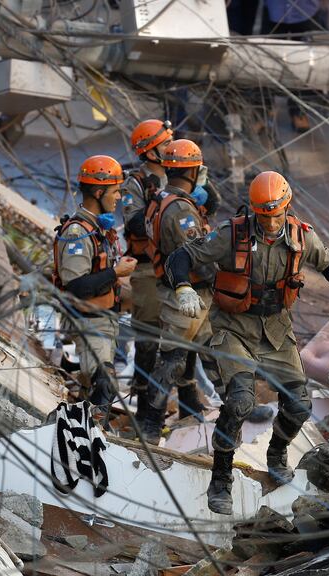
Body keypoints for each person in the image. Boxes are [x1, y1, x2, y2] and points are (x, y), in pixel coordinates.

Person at [165, 171, 329, 515]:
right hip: (234, 328)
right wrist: (183, 287)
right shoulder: (232, 234)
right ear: (255, 211)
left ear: (287, 208)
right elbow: (182, 257)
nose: (271, 222)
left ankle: (276, 454)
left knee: (299, 403)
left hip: (276, 331)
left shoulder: (300, 237)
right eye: (264, 215)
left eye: (276, 214)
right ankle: (221, 477)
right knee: (240, 402)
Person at [138, 139, 219, 443]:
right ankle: (149, 423)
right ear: (193, 170)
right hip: (185, 294)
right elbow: (197, 254)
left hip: (184, 292)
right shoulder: (181, 211)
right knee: (171, 360)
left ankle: (234, 408)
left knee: (211, 351)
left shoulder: (161, 199)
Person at [52, 155, 138, 411]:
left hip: (105, 318)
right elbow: (77, 286)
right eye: (115, 191)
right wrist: (115, 272)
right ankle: (95, 436)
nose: (119, 197)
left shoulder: (101, 230)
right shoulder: (78, 233)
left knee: (94, 383)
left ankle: (80, 423)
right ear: (99, 192)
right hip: (88, 321)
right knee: (106, 381)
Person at [121, 119, 175, 420]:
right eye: (165, 144)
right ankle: (144, 405)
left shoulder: (180, 176)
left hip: (179, 267)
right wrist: (164, 211)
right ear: (150, 151)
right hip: (147, 271)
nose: (171, 149)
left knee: (187, 342)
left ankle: (189, 400)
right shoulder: (136, 183)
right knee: (147, 341)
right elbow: (133, 222)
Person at [263, 0, 323, 132]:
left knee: (308, 63)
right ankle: (263, 111)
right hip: (274, 8)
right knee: (266, 60)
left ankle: (299, 111)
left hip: (306, 10)